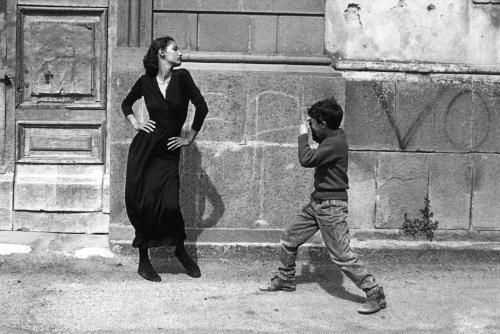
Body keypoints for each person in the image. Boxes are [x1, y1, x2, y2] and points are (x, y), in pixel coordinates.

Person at [259, 97, 387, 314]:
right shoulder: (333, 138)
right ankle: (285, 279)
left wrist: (302, 135)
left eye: (312, 123)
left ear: (323, 125)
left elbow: (306, 159)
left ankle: (374, 293)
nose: (310, 127)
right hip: (317, 203)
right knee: (289, 238)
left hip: (331, 207)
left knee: (341, 255)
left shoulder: (335, 143)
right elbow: (318, 146)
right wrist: (312, 127)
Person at [121, 36, 208, 282]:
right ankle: (143, 261)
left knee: (170, 204)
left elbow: (202, 107)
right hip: (145, 151)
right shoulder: (145, 81)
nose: (180, 53)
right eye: (175, 49)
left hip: (168, 153)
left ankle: (180, 250)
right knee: (145, 204)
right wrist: (137, 123)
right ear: (161, 53)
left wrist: (189, 137)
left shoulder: (183, 78)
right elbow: (126, 104)